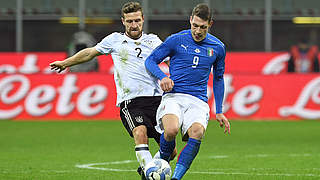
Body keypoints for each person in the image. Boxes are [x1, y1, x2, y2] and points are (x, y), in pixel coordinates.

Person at [49, 2, 176, 179]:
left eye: (137, 20)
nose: (134, 25)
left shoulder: (153, 41)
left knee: (171, 151)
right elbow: (89, 53)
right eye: (130, 21)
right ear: (123, 21)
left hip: (156, 101)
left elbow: (173, 63)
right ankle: (150, 173)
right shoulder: (115, 40)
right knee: (140, 133)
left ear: (143, 20)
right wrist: (65, 63)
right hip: (131, 102)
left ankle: (147, 169)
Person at [145, 3, 231, 180]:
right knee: (170, 131)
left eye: (203, 27)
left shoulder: (218, 47)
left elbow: (219, 78)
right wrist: (162, 77)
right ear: (190, 20)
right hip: (174, 96)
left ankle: (175, 178)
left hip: (198, 100)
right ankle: (160, 165)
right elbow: (151, 60)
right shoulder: (176, 40)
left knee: (197, 132)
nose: (198, 31)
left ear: (210, 24)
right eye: (195, 25)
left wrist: (220, 110)